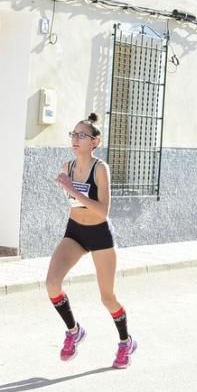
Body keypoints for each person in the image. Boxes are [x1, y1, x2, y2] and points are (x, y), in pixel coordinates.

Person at [45, 112, 137, 369]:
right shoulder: (68, 167)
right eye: (73, 134)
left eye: (81, 135)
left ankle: (125, 341)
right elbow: (74, 203)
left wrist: (71, 189)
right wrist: (67, 188)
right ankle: (74, 331)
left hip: (99, 235)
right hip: (75, 231)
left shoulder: (101, 169)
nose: (75, 139)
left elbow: (102, 210)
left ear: (94, 142)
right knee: (52, 284)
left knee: (107, 297)